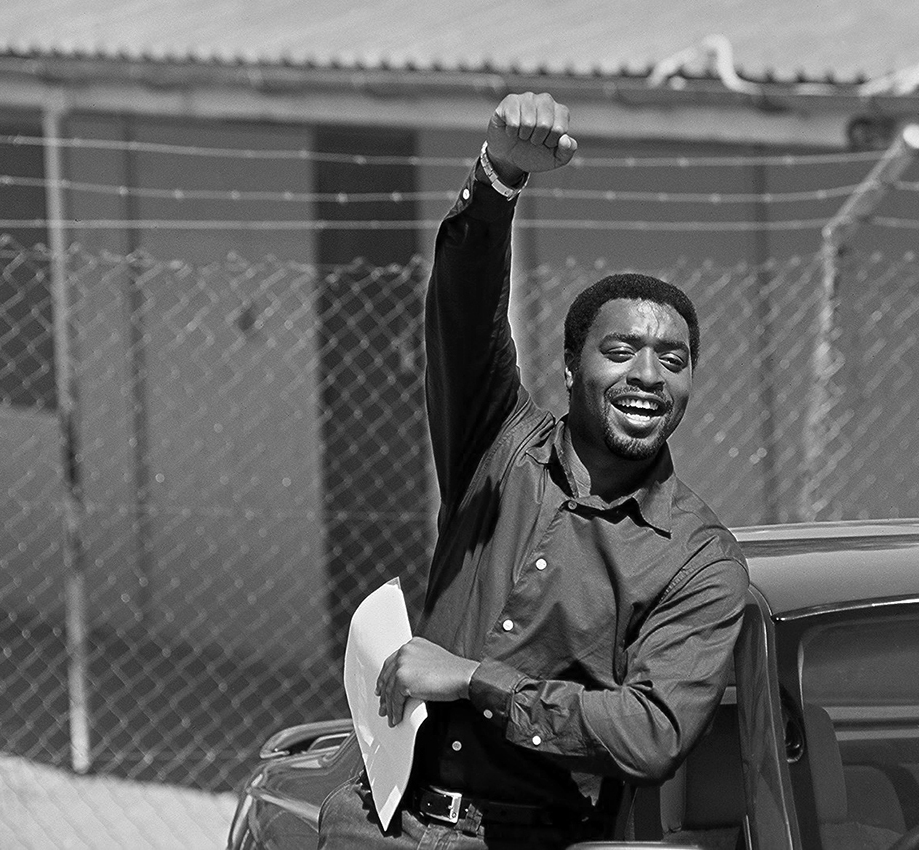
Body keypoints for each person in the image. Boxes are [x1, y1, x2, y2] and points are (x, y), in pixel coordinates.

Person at [318, 91, 749, 850]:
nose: (648, 375)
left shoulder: (699, 558)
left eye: (673, 362)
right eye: (620, 353)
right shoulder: (498, 448)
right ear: (570, 367)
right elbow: (464, 311)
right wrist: (500, 180)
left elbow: (650, 734)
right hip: (378, 821)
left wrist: (475, 678)